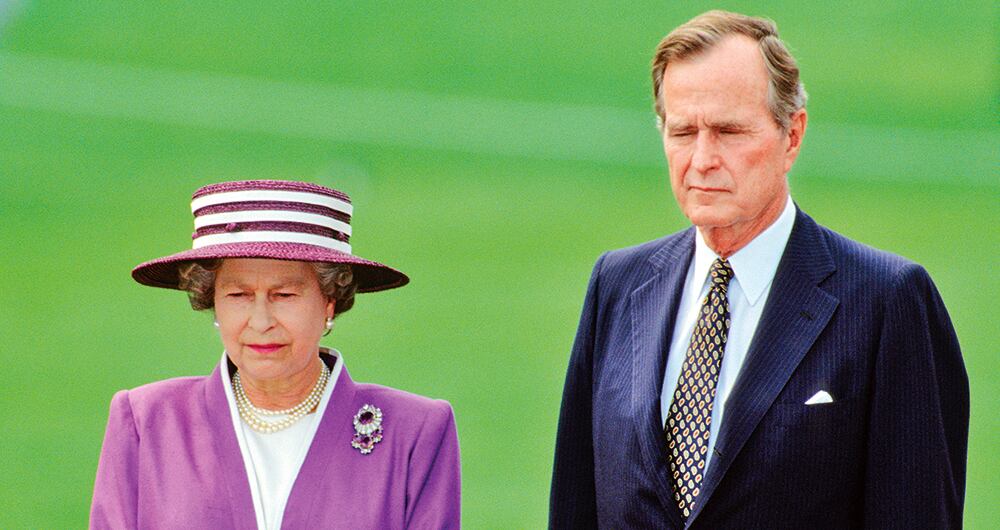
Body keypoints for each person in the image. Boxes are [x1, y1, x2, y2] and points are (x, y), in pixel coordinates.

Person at [549, 10, 968, 529]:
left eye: (728, 131)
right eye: (683, 132)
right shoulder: (617, 285)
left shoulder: (888, 301)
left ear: (791, 136)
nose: (702, 158)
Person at [91, 180, 460, 529]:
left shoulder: (415, 432)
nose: (261, 321)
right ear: (213, 302)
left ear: (330, 301)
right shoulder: (146, 420)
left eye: (285, 295)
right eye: (238, 296)